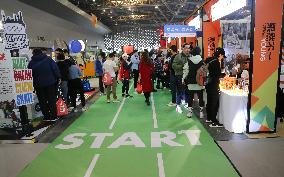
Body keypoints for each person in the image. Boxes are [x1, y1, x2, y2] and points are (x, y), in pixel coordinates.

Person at [28, 48, 61, 122]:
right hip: (50, 83)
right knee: (51, 99)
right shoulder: (48, 59)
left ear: (33, 54)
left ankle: (46, 116)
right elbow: (55, 69)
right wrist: (58, 77)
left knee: (42, 100)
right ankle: (53, 116)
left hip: (38, 85)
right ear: (41, 53)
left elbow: (29, 74)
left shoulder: (31, 63)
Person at [206, 47, 226, 128]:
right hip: (213, 85)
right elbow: (217, 75)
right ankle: (214, 121)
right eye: (223, 56)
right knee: (214, 103)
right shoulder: (216, 62)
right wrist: (224, 74)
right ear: (220, 55)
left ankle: (209, 118)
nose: (222, 58)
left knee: (209, 101)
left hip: (208, 84)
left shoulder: (209, 59)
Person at [182, 47, 205, 118]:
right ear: (199, 52)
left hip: (191, 81)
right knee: (200, 97)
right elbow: (205, 72)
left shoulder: (189, 61)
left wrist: (183, 79)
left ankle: (190, 112)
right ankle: (201, 113)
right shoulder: (202, 61)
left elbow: (186, 71)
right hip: (200, 82)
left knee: (190, 97)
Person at [172, 43, 191, 113]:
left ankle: (186, 103)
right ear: (183, 48)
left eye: (189, 48)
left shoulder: (190, 56)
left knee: (187, 91)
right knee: (180, 91)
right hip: (179, 76)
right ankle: (178, 105)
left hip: (188, 76)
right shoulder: (178, 56)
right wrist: (182, 67)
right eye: (186, 48)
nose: (187, 49)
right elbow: (173, 66)